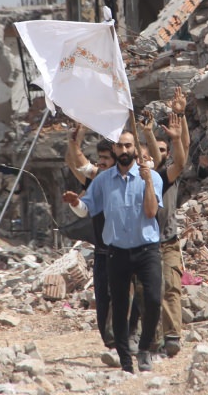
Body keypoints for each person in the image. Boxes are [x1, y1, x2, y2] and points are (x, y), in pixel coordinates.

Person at [63, 130, 163, 374]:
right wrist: (76, 203)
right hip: (116, 252)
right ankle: (126, 362)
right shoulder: (103, 180)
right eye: (120, 146)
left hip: (147, 249)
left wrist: (148, 180)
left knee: (152, 300)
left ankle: (144, 349)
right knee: (117, 307)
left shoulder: (152, 178)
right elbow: (87, 209)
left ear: (135, 149)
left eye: (129, 145)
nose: (124, 150)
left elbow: (151, 212)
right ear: (115, 150)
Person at [141, 86, 190, 358]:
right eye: (153, 149)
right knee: (150, 293)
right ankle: (153, 338)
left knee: (171, 287)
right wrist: (148, 133)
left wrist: (179, 116)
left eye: (164, 148)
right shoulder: (145, 178)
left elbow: (181, 155)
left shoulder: (167, 177)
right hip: (145, 244)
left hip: (168, 242)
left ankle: (172, 336)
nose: (160, 153)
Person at [65, 124, 116, 349]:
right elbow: (75, 161)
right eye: (99, 158)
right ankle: (111, 338)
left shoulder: (132, 181)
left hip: (127, 249)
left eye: (106, 158)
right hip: (103, 250)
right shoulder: (96, 182)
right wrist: (76, 137)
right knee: (104, 298)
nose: (101, 163)